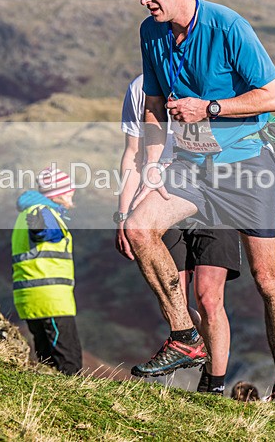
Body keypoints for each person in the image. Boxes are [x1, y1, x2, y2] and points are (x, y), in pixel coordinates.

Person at [124, 0, 275, 401]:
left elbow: (273, 97)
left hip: (246, 166)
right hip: (190, 166)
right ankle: (184, 334)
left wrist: (211, 107)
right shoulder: (150, 32)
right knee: (139, 228)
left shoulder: (228, 25)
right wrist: (154, 169)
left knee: (268, 278)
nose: (145, 0)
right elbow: (156, 106)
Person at [116, 74, 242, 395]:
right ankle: (188, 342)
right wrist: (123, 212)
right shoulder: (138, 88)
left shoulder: (207, 72)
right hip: (164, 194)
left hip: (213, 187)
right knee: (179, 300)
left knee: (210, 297)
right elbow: (133, 153)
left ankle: (213, 388)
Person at [11, 166, 83, 375]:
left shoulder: (30, 212)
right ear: (58, 194)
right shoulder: (42, 212)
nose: (72, 195)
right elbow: (45, 232)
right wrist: (42, 229)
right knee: (69, 360)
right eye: (70, 191)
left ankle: (48, 402)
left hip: (29, 295)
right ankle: (71, 402)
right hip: (50, 297)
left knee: (46, 359)